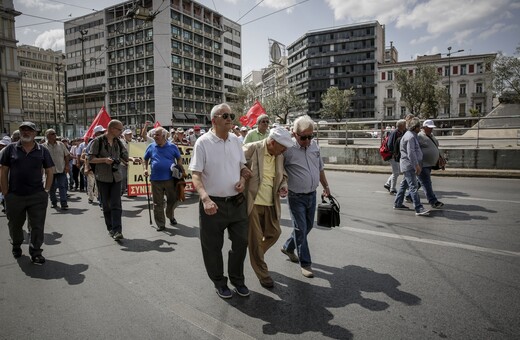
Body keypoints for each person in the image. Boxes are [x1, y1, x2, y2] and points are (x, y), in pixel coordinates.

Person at [189, 103, 252, 299]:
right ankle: (219, 281)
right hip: (212, 205)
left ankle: (237, 279)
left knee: (241, 242)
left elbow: (243, 167)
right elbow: (196, 174)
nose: (229, 118)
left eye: (231, 115)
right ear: (213, 120)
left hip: (236, 202)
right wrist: (205, 198)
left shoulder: (235, 140)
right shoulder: (203, 142)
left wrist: (243, 179)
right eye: (224, 115)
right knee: (212, 247)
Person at [280, 115, 331, 278]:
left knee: (308, 226)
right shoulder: (287, 149)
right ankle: (306, 263)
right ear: (294, 134)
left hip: (312, 194)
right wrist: (281, 185)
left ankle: (288, 246)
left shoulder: (315, 146)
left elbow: (320, 168)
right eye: (304, 137)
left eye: (311, 136)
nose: (308, 140)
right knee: (300, 229)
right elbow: (278, 169)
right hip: (295, 196)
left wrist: (326, 187)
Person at [243, 127, 293, 288]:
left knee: (275, 233)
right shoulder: (253, 148)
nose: (285, 150)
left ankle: (255, 255)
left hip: (271, 203)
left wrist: (283, 185)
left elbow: (282, 175)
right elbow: (235, 164)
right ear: (272, 142)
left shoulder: (279, 156)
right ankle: (263, 274)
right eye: (283, 147)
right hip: (253, 202)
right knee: (256, 240)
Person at [0, 122, 54, 264]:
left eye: (29, 130)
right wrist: (6, 192)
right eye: (23, 129)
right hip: (15, 196)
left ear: (35, 133)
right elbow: (3, 171)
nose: (26, 132)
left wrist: (46, 191)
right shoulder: (10, 149)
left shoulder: (42, 150)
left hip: (37, 196)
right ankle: (16, 245)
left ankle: (36, 252)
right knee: (15, 224)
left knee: (37, 225)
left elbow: (50, 171)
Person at [88, 120, 129, 240]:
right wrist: (104, 160)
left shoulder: (118, 142)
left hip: (116, 177)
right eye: (119, 129)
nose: (121, 132)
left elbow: (124, 156)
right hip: (102, 177)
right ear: (111, 128)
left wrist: (132, 159)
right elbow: (90, 158)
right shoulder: (98, 141)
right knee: (106, 204)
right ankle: (110, 227)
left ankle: (117, 230)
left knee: (116, 204)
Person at [143, 127, 183, 230]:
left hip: (170, 179)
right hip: (156, 180)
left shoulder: (172, 147)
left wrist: (178, 167)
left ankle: (170, 215)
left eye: (157, 135)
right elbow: (145, 159)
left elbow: (179, 158)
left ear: (164, 136)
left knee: (173, 200)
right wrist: (145, 169)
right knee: (157, 203)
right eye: (154, 135)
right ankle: (161, 224)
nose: (155, 137)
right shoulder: (151, 147)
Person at [393, 117, 430, 216]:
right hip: (410, 166)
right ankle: (418, 208)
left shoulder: (411, 135)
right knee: (413, 187)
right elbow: (411, 153)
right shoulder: (411, 137)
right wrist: (416, 165)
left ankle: (397, 203)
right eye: (419, 126)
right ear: (415, 127)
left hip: (408, 165)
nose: (420, 128)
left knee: (404, 185)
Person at [418, 119, 445, 209]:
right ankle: (433, 201)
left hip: (430, 164)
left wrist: (440, 158)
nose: (431, 129)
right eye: (429, 128)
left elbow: (435, 147)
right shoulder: (419, 136)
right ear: (424, 127)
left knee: (420, 182)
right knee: (426, 182)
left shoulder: (432, 136)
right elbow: (414, 149)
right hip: (423, 164)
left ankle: (408, 195)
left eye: (432, 128)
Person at [43, 128, 71, 210]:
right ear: (47, 136)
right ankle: (54, 202)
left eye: (55, 133)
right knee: (52, 188)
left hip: (61, 169)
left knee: (62, 186)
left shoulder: (61, 144)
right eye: (52, 133)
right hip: (50, 171)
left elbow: (67, 155)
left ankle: (64, 203)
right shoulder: (43, 146)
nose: (55, 135)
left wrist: (67, 165)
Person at [383, 119, 406, 195]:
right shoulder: (395, 133)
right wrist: (393, 153)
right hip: (393, 155)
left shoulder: (400, 132)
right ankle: (392, 189)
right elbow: (390, 145)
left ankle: (388, 184)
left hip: (396, 155)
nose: (405, 126)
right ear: (401, 126)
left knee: (397, 172)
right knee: (396, 172)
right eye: (404, 124)